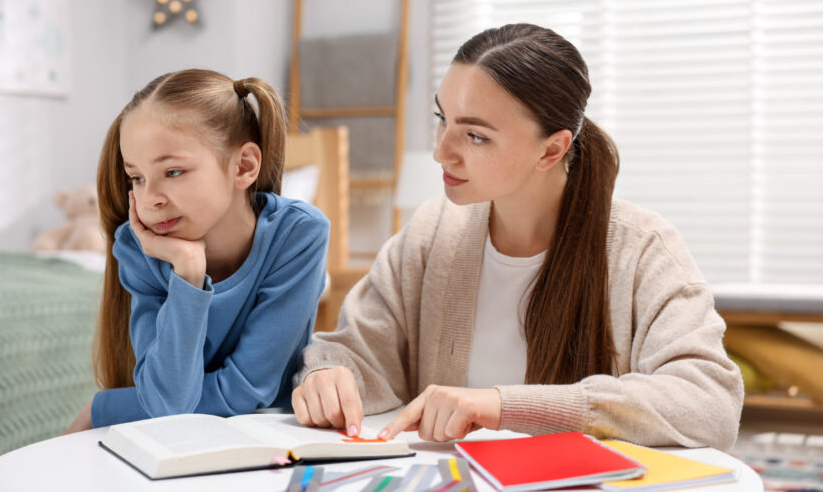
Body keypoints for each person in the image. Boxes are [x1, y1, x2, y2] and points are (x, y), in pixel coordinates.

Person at [291, 24, 743, 451]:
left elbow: (710, 405)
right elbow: (357, 351)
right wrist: (330, 374)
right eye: (441, 118)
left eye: (475, 135)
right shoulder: (431, 234)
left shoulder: (641, 248)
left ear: (552, 149)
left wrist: (505, 406)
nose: (440, 151)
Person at [64, 69, 329, 432]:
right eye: (137, 178)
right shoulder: (140, 249)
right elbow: (167, 402)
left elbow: (249, 390)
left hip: (268, 438)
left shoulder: (298, 235)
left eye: (173, 172)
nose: (150, 199)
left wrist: (107, 409)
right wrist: (187, 272)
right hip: (175, 443)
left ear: (244, 166)